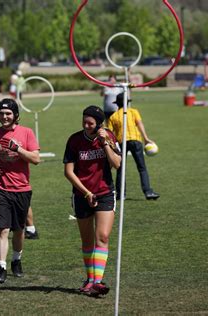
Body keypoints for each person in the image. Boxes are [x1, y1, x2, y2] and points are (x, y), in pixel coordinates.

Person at [63, 105, 121, 296]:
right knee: (87, 240)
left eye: (91, 123)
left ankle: (97, 281)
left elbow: (117, 164)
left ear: (99, 124)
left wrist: (105, 143)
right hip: (81, 195)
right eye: (84, 121)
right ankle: (90, 280)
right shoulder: (74, 140)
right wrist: (86, 192)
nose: (87, 125)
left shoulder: (109, 137)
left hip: (105, 193)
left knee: (102, 236)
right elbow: (69, 172)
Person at [0, 98, 40, 284]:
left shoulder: (26, 132)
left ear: (15, 115)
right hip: (0, 189)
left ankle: (16, 260)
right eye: (1, 113)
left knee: (18, 230)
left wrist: (18, 149)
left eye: (8, 113)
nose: (4, 117)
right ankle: (1, 267)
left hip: (22, 188)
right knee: (2, 229)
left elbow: (36, 159)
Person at [107, 93, 160, 200]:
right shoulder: (133, 111)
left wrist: (112, 148)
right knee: (142, 168)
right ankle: (148, 192)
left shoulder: (113, 116)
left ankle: (121, 194)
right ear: (127, 102)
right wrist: (146, 139)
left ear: (117, 104)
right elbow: (140, 124)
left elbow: (109, 134)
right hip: (136, 141)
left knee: (121, 169)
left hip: (122, 143)